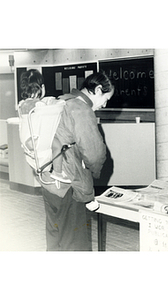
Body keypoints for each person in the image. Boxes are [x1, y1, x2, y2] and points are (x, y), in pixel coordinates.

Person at [38, 71, 114, 251]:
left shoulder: (62, 101)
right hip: (69, 185)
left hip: (49, 180)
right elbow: (95, 154)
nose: (104, 104)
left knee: (55, 237)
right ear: (97, 90)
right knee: (75, 243)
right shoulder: (81, 109)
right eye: (106, 98)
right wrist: (94, 172)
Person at [19, 69, 71, 184]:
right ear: (42, 87)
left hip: (27, 141)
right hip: (38, 139)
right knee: (58, 144)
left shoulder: (22, 104)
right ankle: (57, 172)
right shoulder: (40, 105)